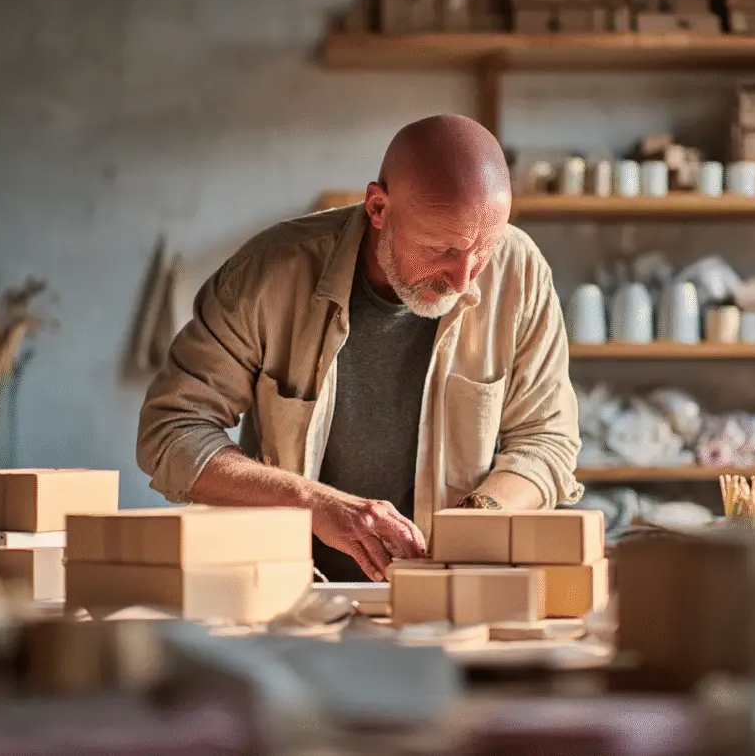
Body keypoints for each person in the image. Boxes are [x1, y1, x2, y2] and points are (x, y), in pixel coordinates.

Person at [136, 113, 583, 583]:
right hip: (285, 588)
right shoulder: (266, 274)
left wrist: (481, 515)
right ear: (378, 208)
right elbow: (170, 431)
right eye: (442, 250)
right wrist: (313, 503)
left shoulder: (520, 271)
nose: (464, 279)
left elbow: (547, 440)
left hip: (447, 592)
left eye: (485, 249)